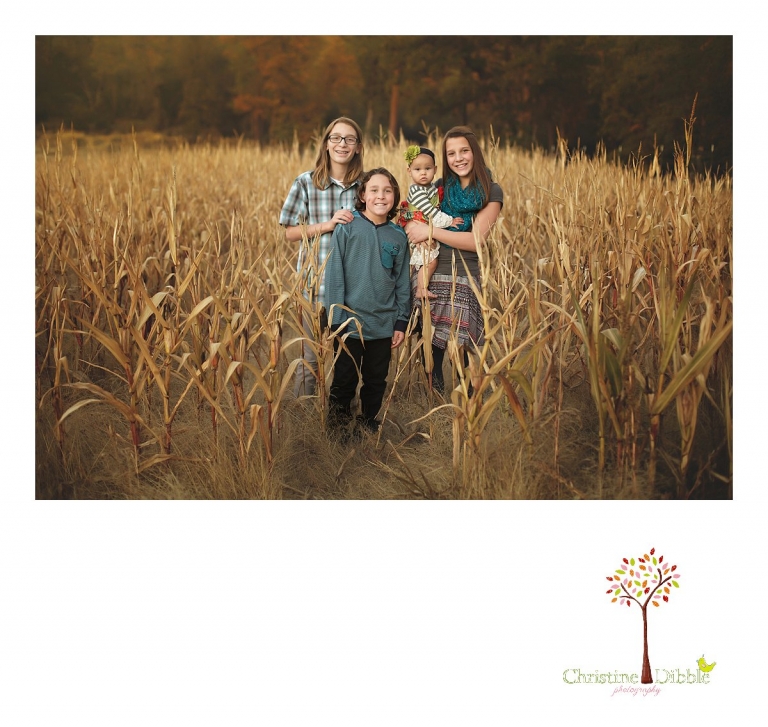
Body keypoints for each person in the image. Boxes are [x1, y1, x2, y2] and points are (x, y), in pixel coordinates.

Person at [404, 126, 503, 394]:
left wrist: (431, 231)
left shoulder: (491, 191)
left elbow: (475, 240)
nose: (458, 158)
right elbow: (414, 216)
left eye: (464, 151)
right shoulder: (437, 188)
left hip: (465, 272)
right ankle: (435, 408)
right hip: (429, 267)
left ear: (475, 153)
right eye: (451, 153)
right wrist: (417, 229)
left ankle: (467, 408)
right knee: (431, 344)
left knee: (463, 345)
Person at [279, 117, 364, 397]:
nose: (342, 144)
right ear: (326, 144)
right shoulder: (305, 182)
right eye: (336, 138)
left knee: (348, 360)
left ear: (358, 147)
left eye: (349, 139)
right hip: (314, 286)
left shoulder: (365, 187)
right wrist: (328, 225)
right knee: (311, 359)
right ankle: (305, 424)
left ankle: (342, 422)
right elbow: (290, 232)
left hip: (354, 289)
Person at [323, 168, 411, 438]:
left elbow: (402, 282)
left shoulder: (397, 236)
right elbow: (335, 273)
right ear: (362, 195)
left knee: (375, 380)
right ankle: (337, 432)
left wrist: (401, 321)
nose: (380, 196)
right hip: (349, 322)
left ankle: (368, 427)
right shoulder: (348, 227)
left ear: (395, 196)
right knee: (345, 379)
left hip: (383, 324)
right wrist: (336, 319)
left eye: (387, 191)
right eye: (373, 190)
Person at [397, 145, 464, 300]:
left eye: (427, 168)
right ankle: (421, 289)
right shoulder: (417, 191)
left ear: (435, 169)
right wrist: (450, 221)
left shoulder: (430, 188)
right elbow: (431, 212)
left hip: (425, 229)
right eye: (417, 169)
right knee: (431, 262)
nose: (423, 173)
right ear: (409, 171)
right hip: (419, 231)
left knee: (428, 260)